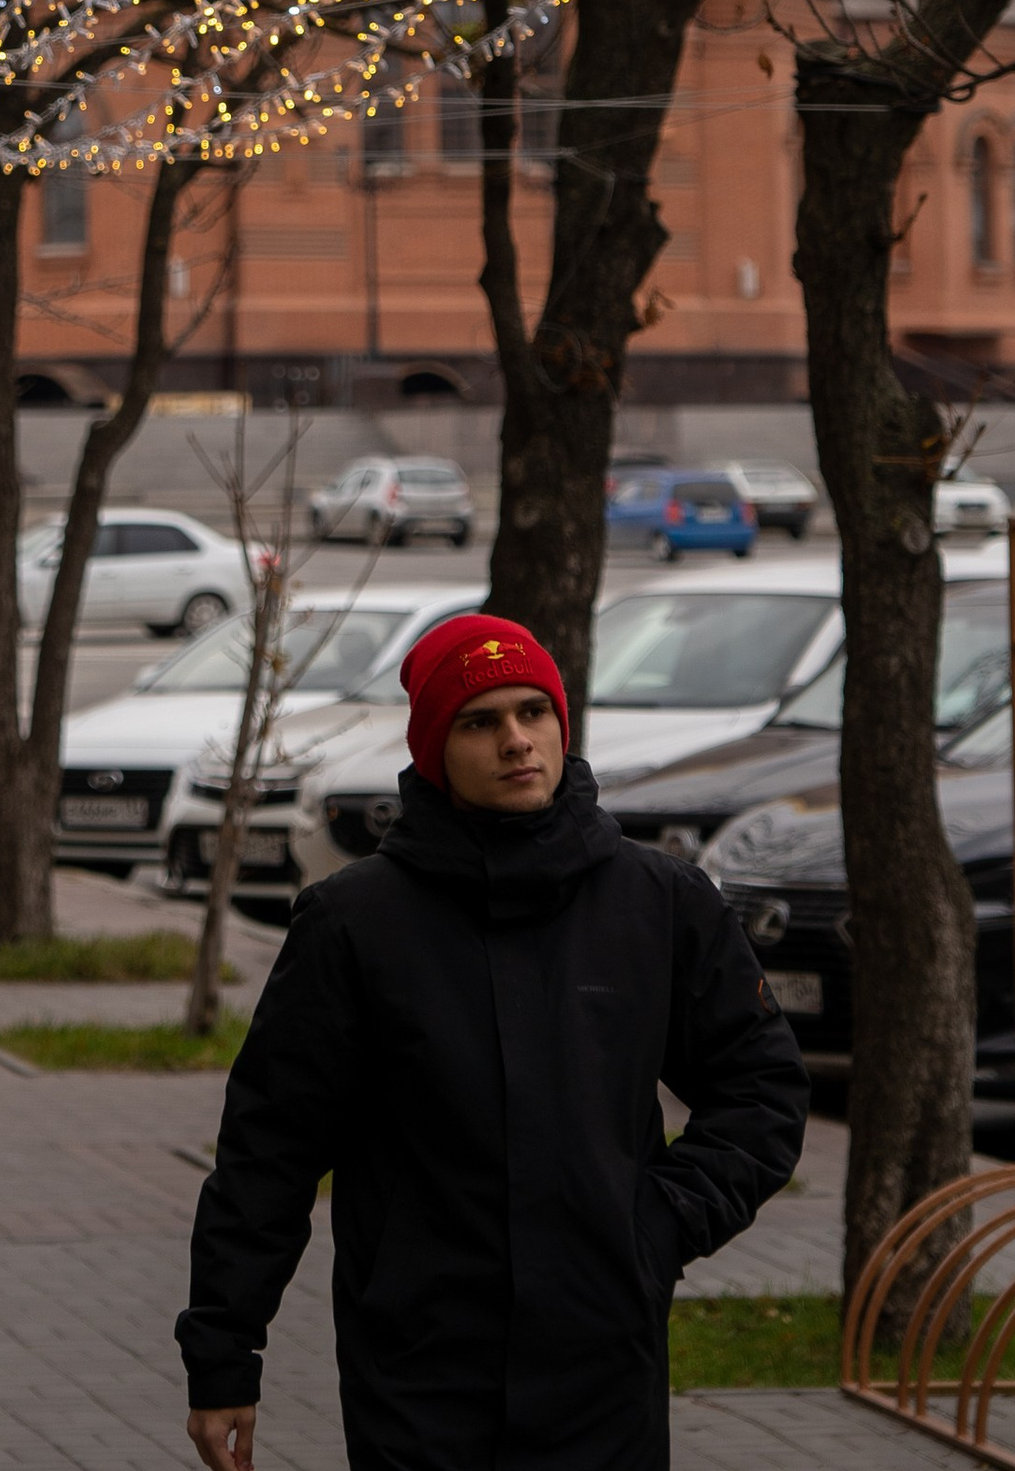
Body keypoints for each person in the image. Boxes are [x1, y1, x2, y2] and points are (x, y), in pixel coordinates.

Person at [177, 614, 809, 1471]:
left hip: (602, 1359)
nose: (516, 741)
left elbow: (762, 1093)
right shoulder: (355, 923)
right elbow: (269, 1152)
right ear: (437, 748)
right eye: (481, 722)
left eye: (532, 713)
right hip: (418, 1364)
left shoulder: (658, 904)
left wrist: (655, 1226)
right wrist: (224, 1355)